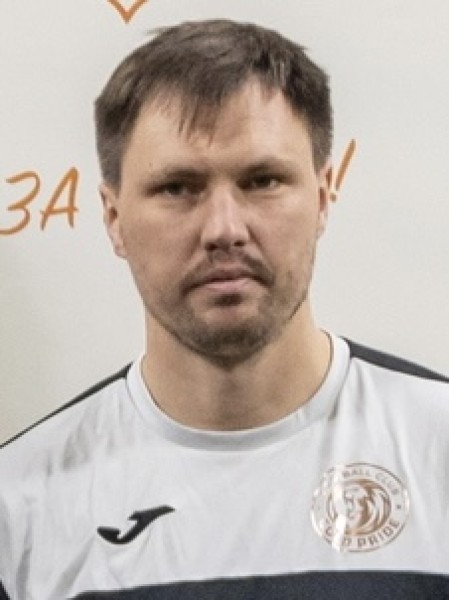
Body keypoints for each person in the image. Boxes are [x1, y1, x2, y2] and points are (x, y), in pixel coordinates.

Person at [1, 19, 448, 600]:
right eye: (177, 187)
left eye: (263, 180)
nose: (224, 229)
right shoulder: (19, 506)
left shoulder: (438, 449)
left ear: (322, 197)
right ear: (113, 218)